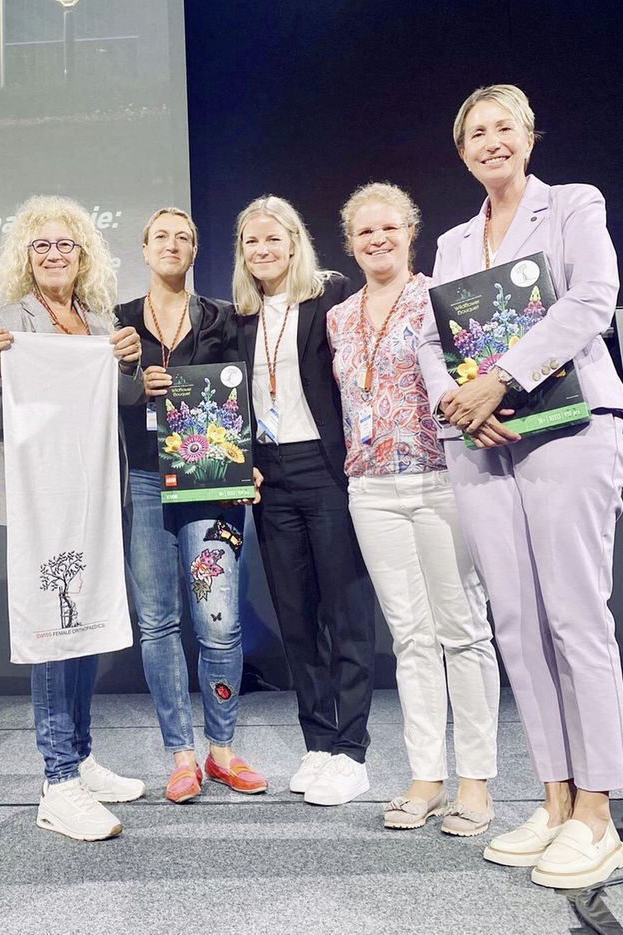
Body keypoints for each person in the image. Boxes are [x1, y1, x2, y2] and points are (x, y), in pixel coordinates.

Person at [418, 84, 623, 888]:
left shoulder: (573, 204)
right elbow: (431, 338)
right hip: (480, 442)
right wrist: (458, 402)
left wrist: (501, 379)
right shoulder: (452, 241)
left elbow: (592, 299)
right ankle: (554, 800)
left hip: (569, 425)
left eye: (503, 127)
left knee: (575, 616)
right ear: (462, 151)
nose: (491, 141)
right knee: (516, 622)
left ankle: (598, 814)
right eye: (475, 132)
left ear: (530, 136)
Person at [327, 183, 499, 835]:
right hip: (370, 489)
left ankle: (476, 782)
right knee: (410, 638)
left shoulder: (440, 298)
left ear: (410, 233)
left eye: (389, 228)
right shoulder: (339, 318)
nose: (378, 239)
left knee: (463, 629)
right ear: (350, 243)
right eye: (365, 231)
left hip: (442, 479)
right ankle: (427, 776)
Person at [0, 194, 146, 841]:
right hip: (40, 496)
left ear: (83, 255)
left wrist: (128, 362)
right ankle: (58, 780)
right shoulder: (7, 319)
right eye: (41, 245)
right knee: (53, 626)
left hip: (93, 494)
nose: (53, 254)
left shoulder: (100, 321)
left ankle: (80, 755)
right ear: (26, 256)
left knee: (84, 618)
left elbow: (123, 400)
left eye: (65, 245)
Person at [116, 207, 267, 803]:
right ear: (144, 248)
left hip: (212, 482)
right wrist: (134, 384)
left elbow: (250, 395)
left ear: (196, 249)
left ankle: (222, 750)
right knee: (158, 622)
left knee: (219, 623)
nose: (172, 244)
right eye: (161, 236)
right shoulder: (119, 321)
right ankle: (181, 756)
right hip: (145, 481)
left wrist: (248, 457)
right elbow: (101, 396)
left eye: (184, 236)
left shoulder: (225, 318)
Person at [231, 195, 376, 806]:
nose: (263, 250)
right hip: (269, 476)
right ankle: (317, 743)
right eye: (251, 241)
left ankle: (351, 749)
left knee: (346, 612)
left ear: (295, 243)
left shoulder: (331, 294)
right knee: (296, 616)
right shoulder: (237, 316)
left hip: (326, 468)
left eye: (273, 239)